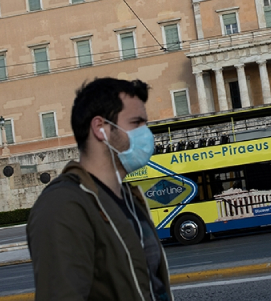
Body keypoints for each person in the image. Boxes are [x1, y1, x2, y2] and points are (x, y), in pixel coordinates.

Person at [26, 78, 173, 301]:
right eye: (136, 123)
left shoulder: (131, 200)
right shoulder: (63, 206)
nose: (146, 134)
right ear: (100, 129)